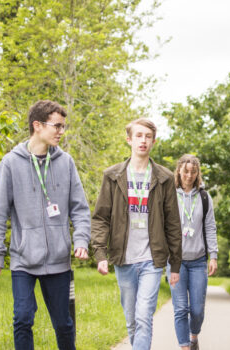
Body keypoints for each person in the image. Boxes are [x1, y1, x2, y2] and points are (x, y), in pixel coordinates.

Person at [0, 100, 91, 350]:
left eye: (63, 126)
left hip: (58, 260)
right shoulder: (11, 163)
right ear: (37, 125)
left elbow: (80, 208)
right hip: (23, 259)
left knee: (64, 324)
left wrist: (80, 241)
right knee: (22, 319)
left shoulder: (66, 162)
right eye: (57, 126)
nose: (61, 132)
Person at [91, 118, 182, 350]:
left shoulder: (164, 178)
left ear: (153, 141)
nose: (143, 140)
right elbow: (101, 217)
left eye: (148, 136)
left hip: (152, 258)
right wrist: (100, 254)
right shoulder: (112, 176)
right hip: (124, 258)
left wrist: (175, 263)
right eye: (139, 136)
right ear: (129, 139)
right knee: (132, 320)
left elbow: (173, 223)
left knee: (143, 316)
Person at [170, 154, 219, 350]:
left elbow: (210, 227)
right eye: (185, 171)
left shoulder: (204, 197)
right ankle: (184, 346)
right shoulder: (170, 195)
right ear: (179, 171)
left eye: (193, 171)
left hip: (198, 260)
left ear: (197, 173)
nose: (189, 175)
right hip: (175, 262)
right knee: (181, 308)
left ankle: (193, 337)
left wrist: (213, 255)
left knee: (197, 309)